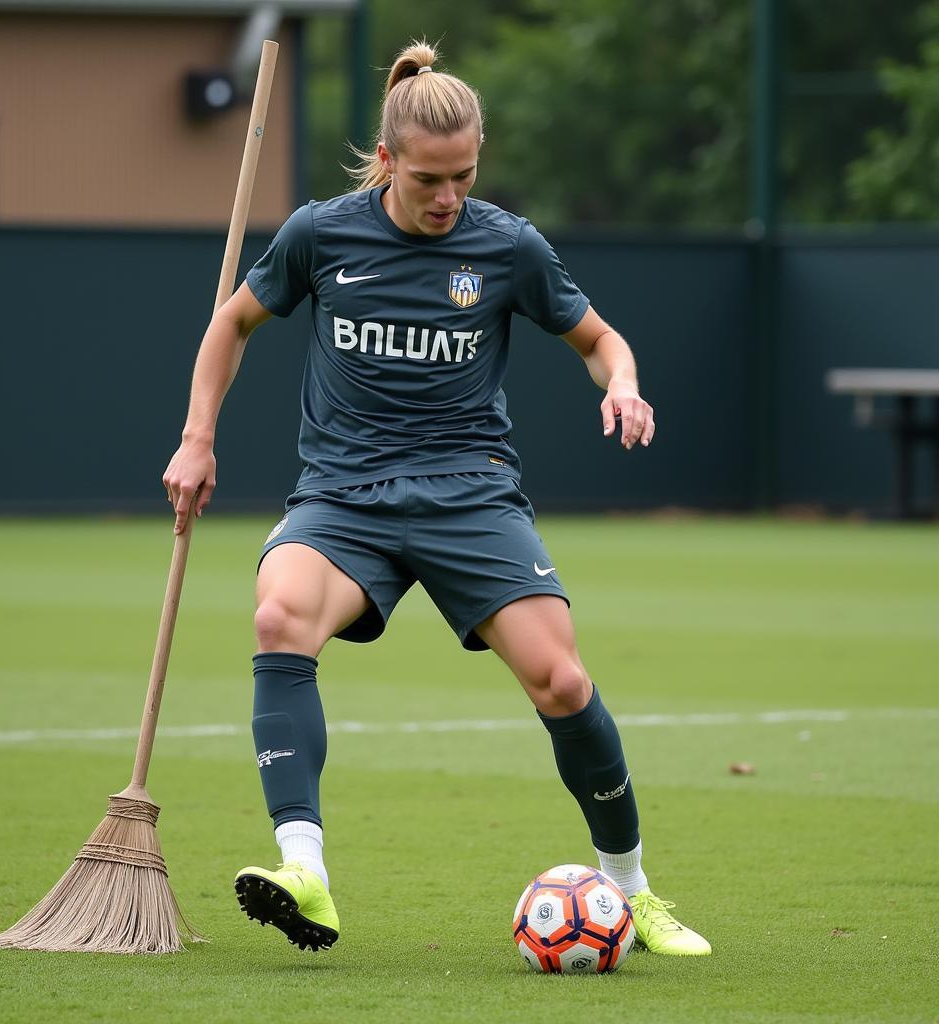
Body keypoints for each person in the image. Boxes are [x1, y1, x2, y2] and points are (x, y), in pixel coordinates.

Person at [163, 41, 710, 958]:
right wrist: (196, 435)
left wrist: (621, 383)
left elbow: (600, 338)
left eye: (464, 176)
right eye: (429, 179)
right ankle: (306, 872)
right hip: (345, 496)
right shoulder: (320, 233)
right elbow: (233, 323)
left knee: (562, 683)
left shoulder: (507, 245)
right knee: (279, 615)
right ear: (387, 162)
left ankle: (633, 892)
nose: (449, 196)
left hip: (470, 495)